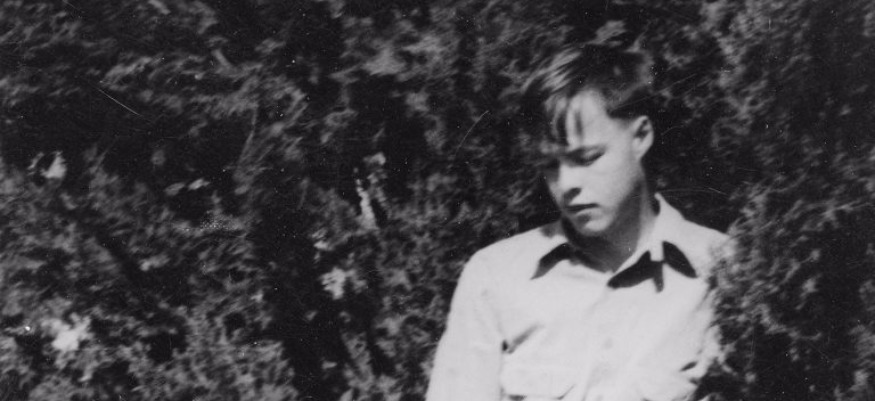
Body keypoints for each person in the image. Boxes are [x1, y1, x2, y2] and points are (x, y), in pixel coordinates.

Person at [425, 44, 729, 401]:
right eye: (550, 166)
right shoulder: (496, 277)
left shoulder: (721, 272)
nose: (567, 184)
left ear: (641, 136)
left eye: (586, 158)